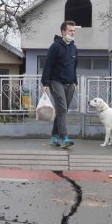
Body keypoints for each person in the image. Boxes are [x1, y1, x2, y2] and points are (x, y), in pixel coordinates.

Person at [41, 20, 78, 148]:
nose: (72, 33)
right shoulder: (55, 46)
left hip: (70, 83)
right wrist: (45, 83)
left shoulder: (74, 48)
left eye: (74, 30)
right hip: (55, 81)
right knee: (62, 108)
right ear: (63, 32)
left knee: (62, 110)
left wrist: (75, 82)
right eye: (70, 30)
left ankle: (54, 136)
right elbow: (47, 65)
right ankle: (65, 138)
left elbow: (74, 67)